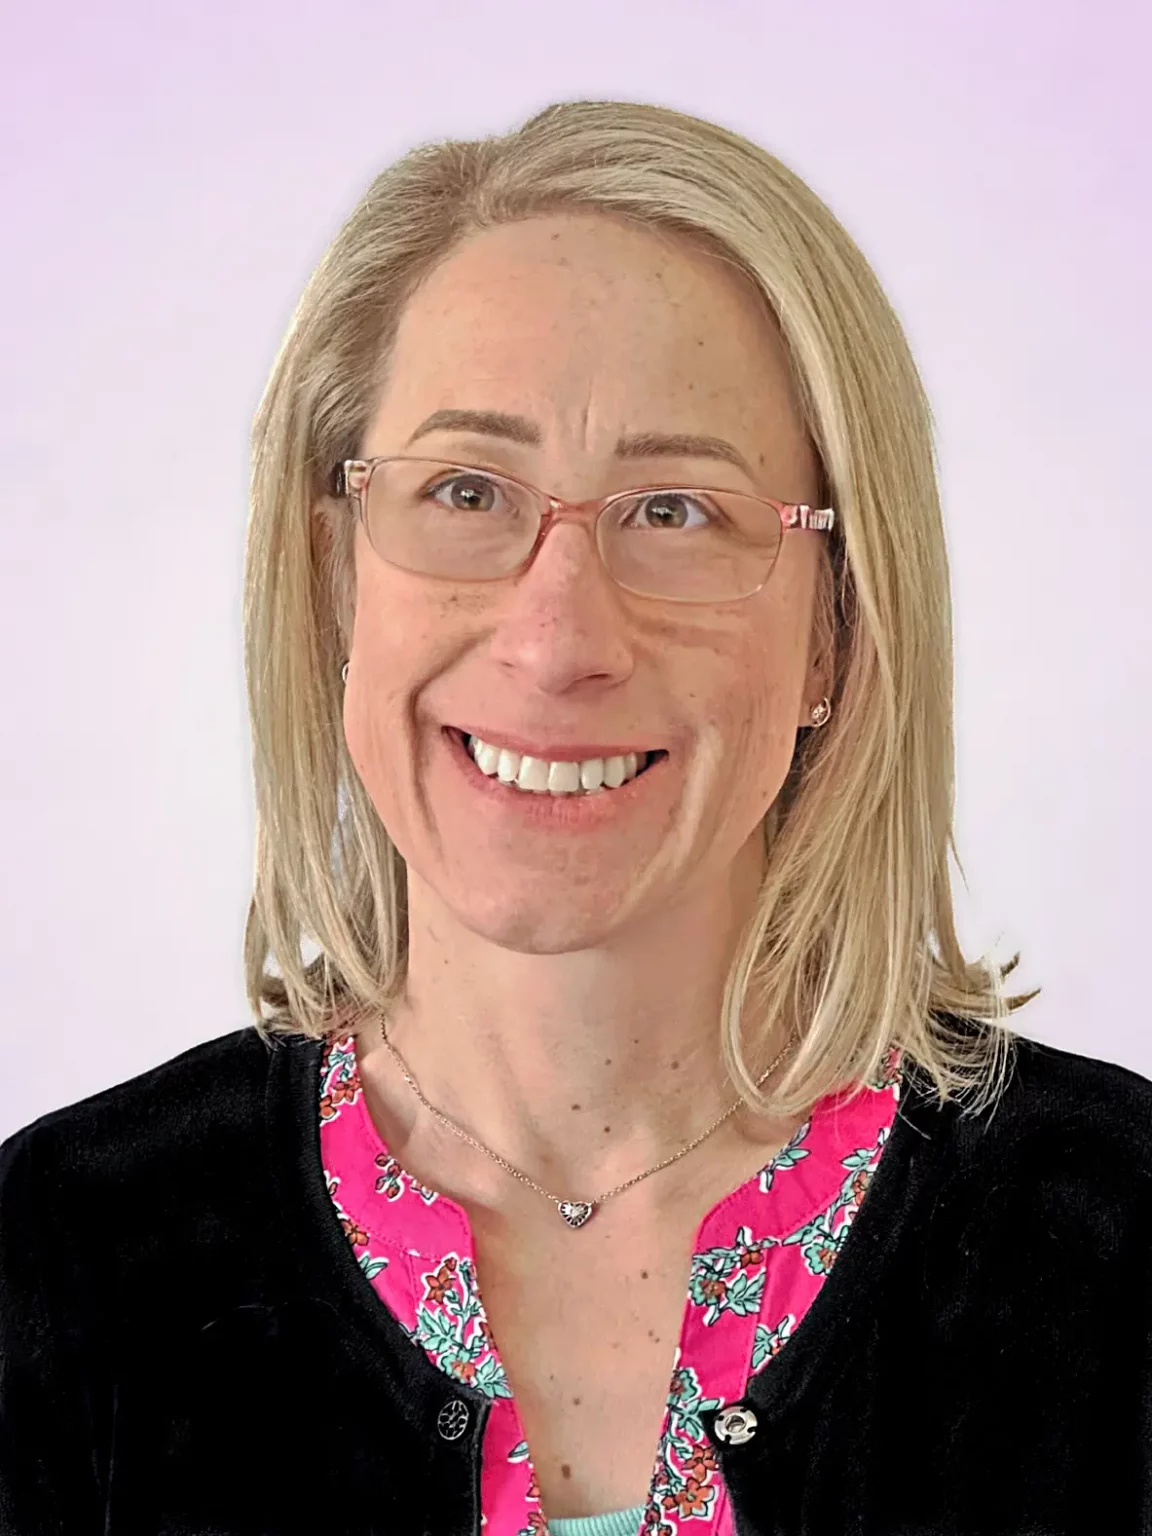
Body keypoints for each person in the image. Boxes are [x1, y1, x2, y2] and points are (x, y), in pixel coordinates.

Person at [1, 98, 1149, 1536]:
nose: (557, 642)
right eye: (464, 491)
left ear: (837, 630)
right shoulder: (69, 1251)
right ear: (338, 578)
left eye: (675, 511)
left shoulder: (1118, 1245)